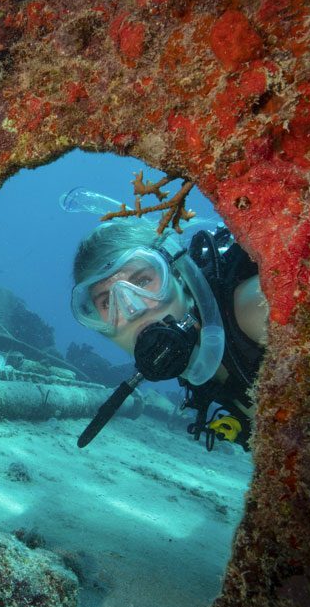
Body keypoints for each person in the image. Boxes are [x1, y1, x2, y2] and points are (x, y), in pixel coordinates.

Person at [64, 189, 268, 451]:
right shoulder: (196, 362)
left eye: (142, 281)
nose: (133, 309)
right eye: (106, 302)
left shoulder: (255, 309)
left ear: (179, 274)